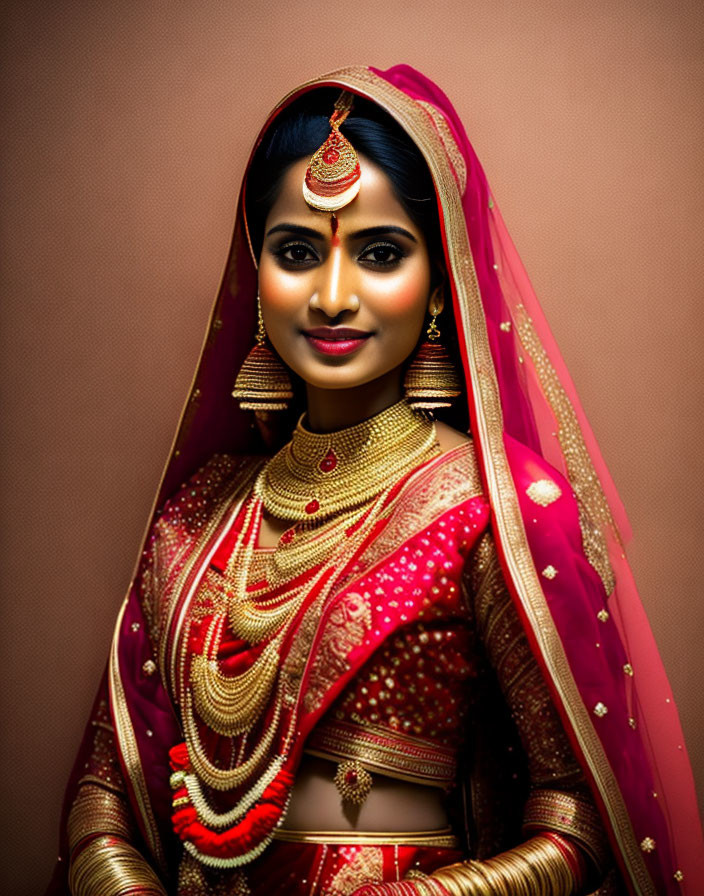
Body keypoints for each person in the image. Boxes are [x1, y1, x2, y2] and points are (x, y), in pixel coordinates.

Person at [47, 65, 703, 896]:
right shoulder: (201, 511)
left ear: (438, 282)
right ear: (257, 275)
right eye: (295, 252)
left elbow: (581, 814)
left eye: (380, 253)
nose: (330, 295)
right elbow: (107, 787)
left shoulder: (493, 509)